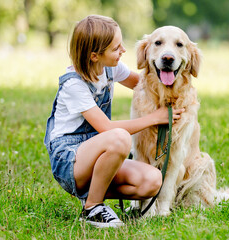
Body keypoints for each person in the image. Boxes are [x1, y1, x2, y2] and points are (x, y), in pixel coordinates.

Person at [43, 15, 184, 228]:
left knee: (153, 181)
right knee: (118, 137)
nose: (124, 51)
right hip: (70, 161)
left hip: (99, 155)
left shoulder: (110, 68)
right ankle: (92, 208)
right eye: (116, 48)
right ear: (94, 56)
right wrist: (154, 118)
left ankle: (95, 192)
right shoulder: (74, 85)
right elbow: (106, 128)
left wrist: (178, 89)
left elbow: (145, 85)